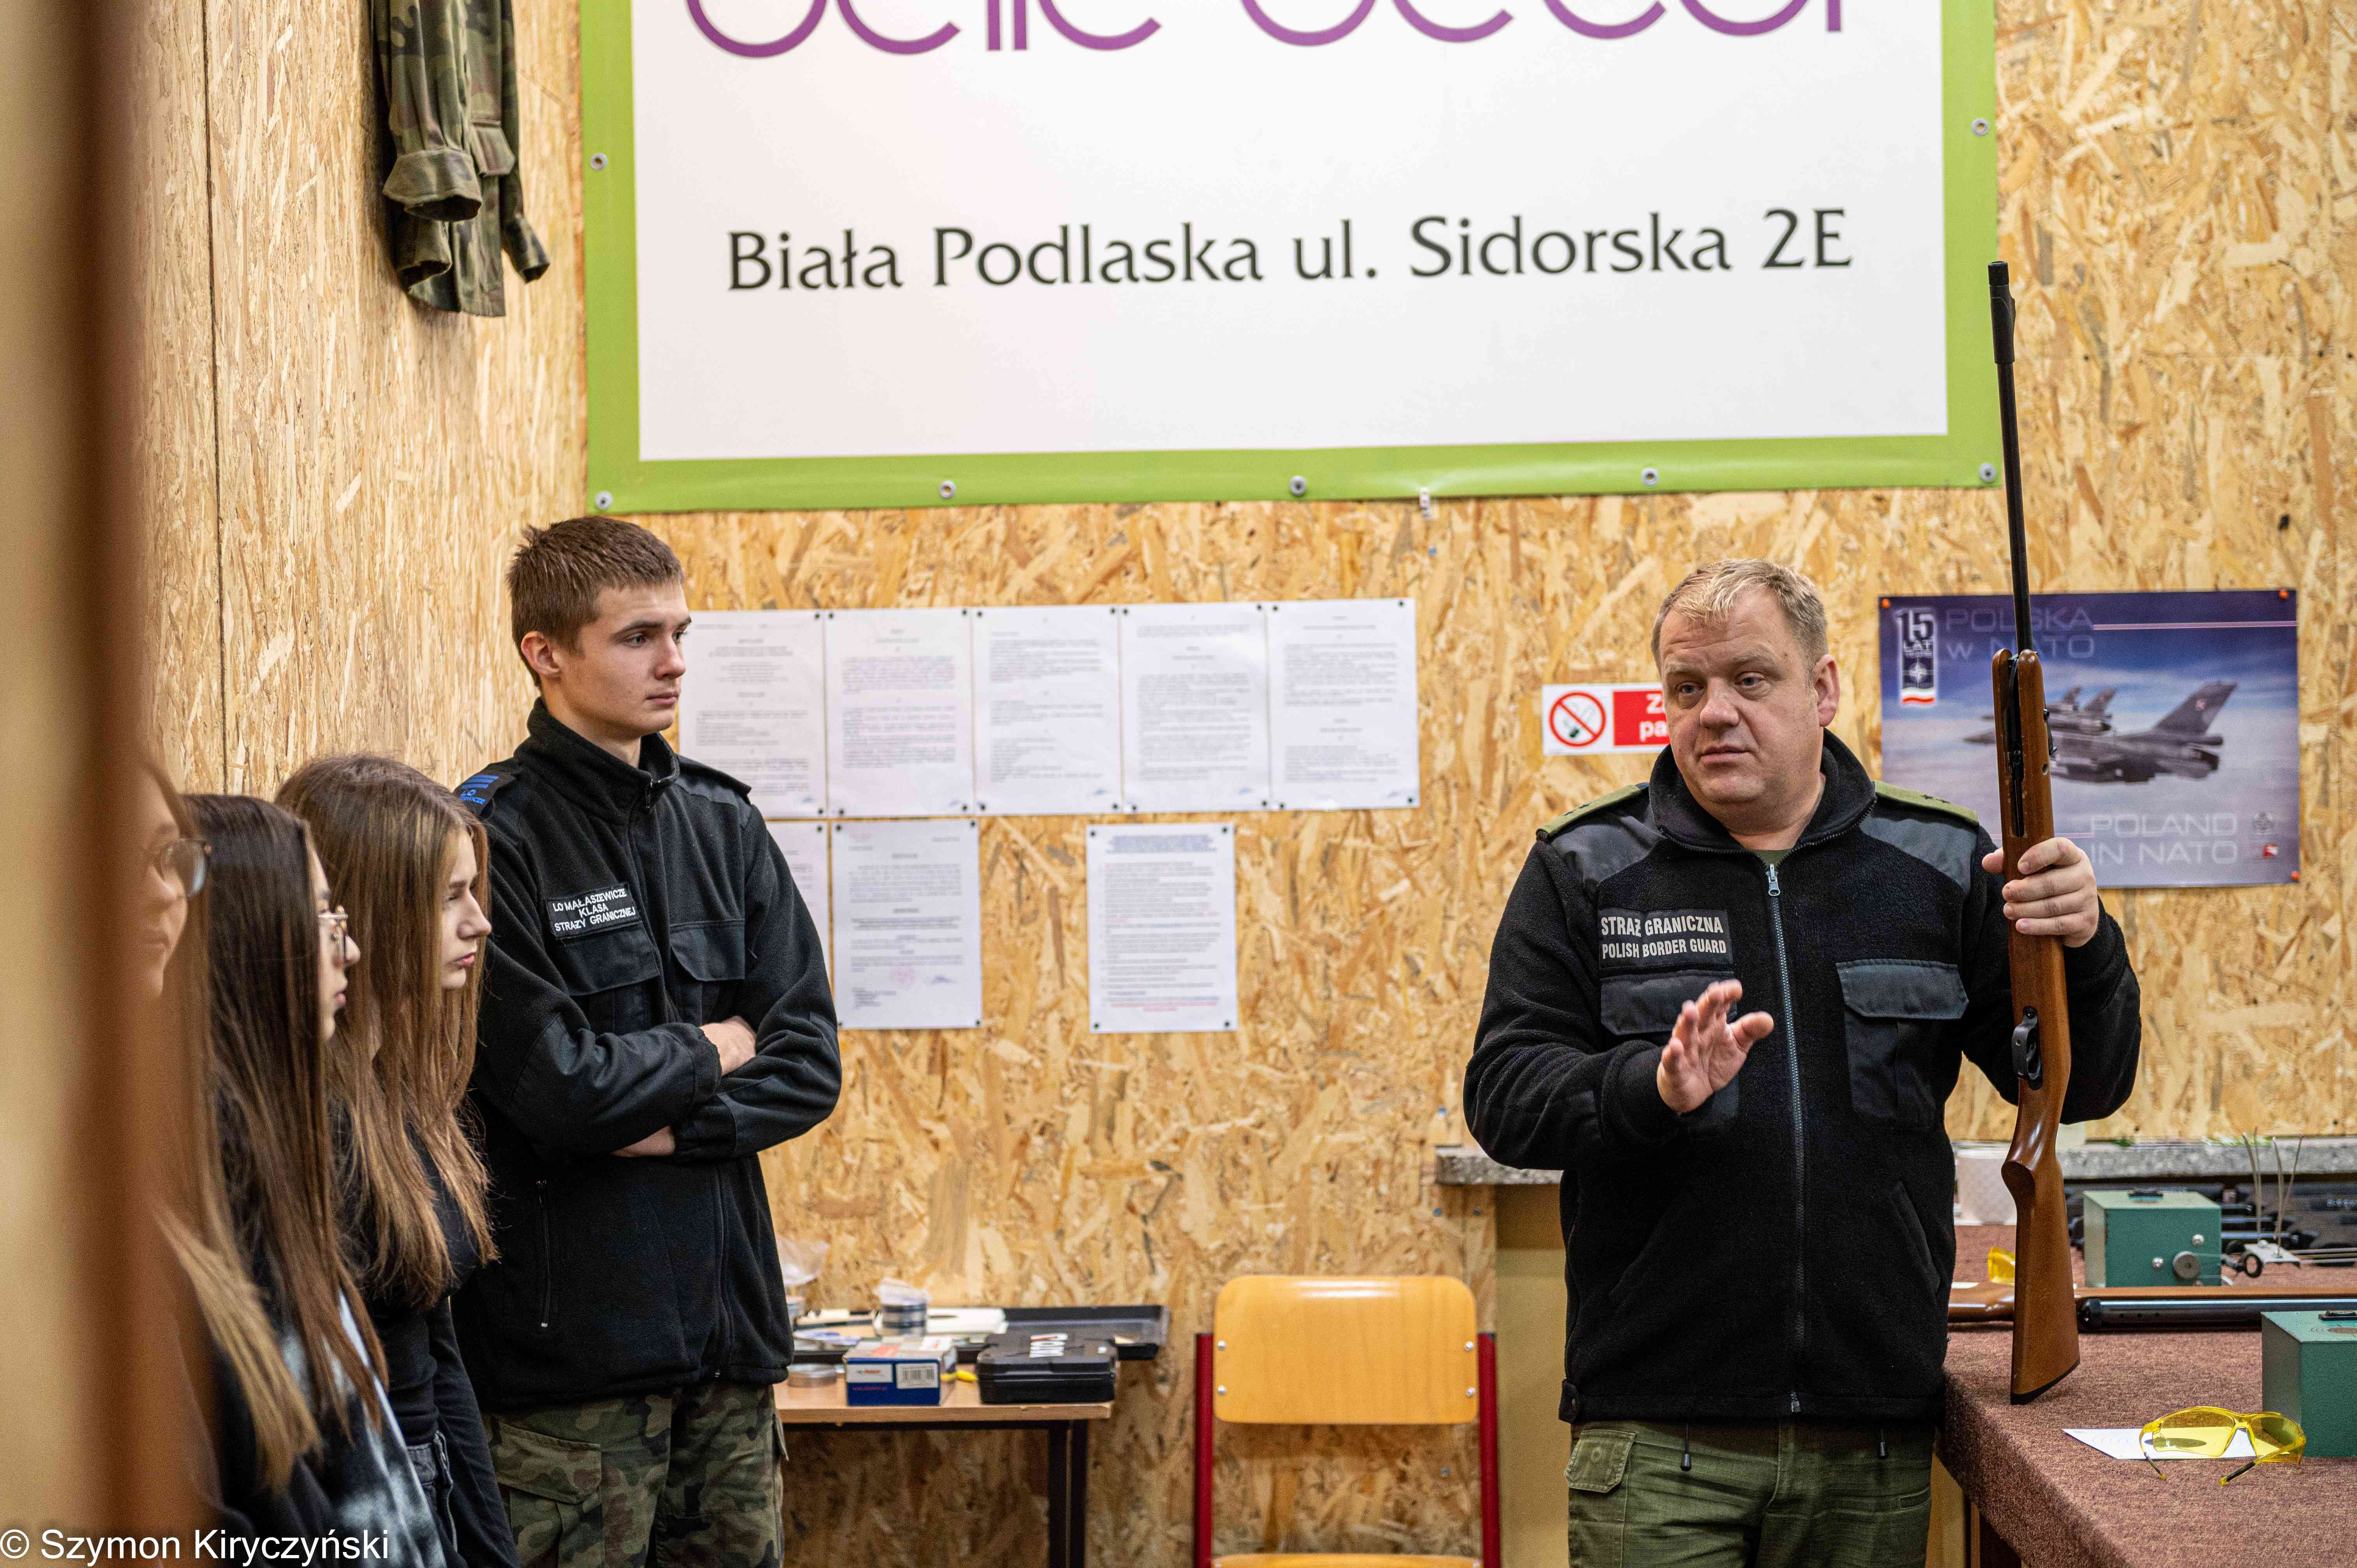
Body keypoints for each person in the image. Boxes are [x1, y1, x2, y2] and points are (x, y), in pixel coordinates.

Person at [1465, 560, 2141, 1567]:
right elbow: (1504, 1095)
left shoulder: (1937, 863)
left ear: (1822, 689)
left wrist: (2085, 945)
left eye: (1751, 679)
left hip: (1869, 1435)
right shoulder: (1588, 866)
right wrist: (1649, 1087)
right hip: (1654, 1438)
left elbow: (2082, 1085)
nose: (1715, 713)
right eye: (1687, 687)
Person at [452, 516, 839, 1568]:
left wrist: (674, 1129)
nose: (673, 662)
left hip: (729, 1349)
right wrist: (718, 1044)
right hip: (570, 1375)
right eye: (637, 637)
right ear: (545, 652)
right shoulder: (491, 839)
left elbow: (809, 1061)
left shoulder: (722, 823)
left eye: (680, 633)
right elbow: (564, 1090)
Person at [173, 794, 449, 1560]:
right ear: (252, 938)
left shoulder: (277, 1152)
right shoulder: (211, 1186)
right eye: (324, 918)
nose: (349, 950)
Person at [280, 757, 518, 1568]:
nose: (480, 923)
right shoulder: (310, 1120)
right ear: (371, 907)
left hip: (431, 1476)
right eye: (450, 897)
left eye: (473, 892)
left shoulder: (400, 1087)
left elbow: (439, 1349)